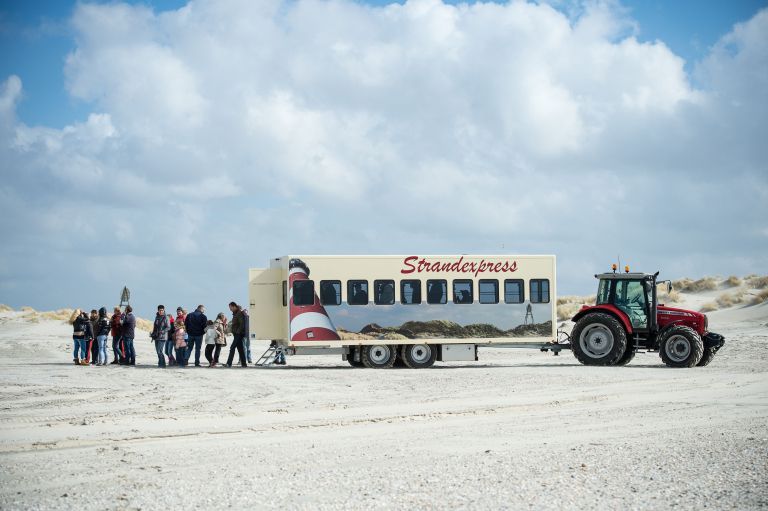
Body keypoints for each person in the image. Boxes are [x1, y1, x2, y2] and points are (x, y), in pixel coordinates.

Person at [226, 302, 247, 367]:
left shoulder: (239, 313)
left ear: (234, 306)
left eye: (230, 308)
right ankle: (244, 364)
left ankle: (229, 363)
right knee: (240, 349)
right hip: (237, 334)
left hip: (238, 334)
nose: (230, 309)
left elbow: (242, 324)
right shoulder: (236, 313)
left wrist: (238, 332)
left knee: (232, 347)